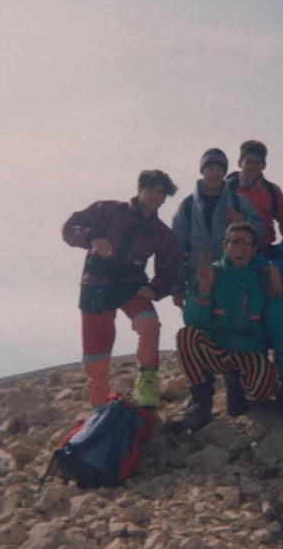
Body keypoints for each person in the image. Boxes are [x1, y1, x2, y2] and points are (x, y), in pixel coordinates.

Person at [62, 170, 181, 410]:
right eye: (151, 189)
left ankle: (146, 382)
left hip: (131, 285)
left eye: (161, 192)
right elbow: (71, 226)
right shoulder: (108, 210)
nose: (155, 196)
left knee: (149, 323)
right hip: (97, 282)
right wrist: (92, 238)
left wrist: (155, 289)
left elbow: (170, 269)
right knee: (97, 346)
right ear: (140, 189)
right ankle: (99, 404)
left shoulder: (160, 232)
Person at [176, 223, 283, 428]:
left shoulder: (265, 281)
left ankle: (243, 392)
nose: (241, 248)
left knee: (262, 386)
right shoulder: (210, 274)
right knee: (186, 336)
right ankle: (201, 404)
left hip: (251, 353)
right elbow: (194, 322)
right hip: (218, 351)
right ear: (225, 245)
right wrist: (203, 291)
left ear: (254, 250)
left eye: (247, 243)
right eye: (236, 241)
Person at [171, 148, 266, 308]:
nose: (215, 173)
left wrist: (244, 222)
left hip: (233, 281)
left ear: (225, 172)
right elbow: (176, 250)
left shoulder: (239, 202)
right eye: (210, 168)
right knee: (197, 331)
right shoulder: (187, 206)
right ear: (202, 170)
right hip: (198, 281)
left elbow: (261, 234)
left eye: (220, 169)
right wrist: (177, 288)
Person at [226, 140, 283, 254]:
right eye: (249, 162)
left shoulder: (273, 191)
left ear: (264, 164)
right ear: (240, 162)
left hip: (263, 253)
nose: (253, 166)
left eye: (258, 162)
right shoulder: (227, 189)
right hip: (232, 254)